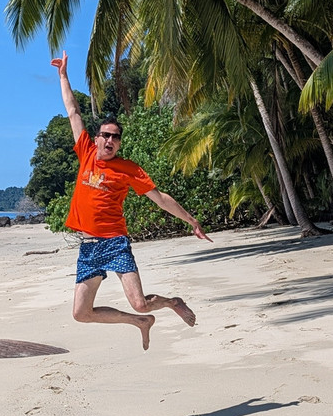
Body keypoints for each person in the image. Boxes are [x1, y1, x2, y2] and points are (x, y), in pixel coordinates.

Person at [51, 51, 212, 350]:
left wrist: (191, 220)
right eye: (105, 135)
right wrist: (63, 76)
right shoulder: (85, 152)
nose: (110, 141)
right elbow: (74, 112)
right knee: (81, 314)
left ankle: (172, 303)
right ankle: (139, 323)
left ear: (119, 142)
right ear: (96, 138)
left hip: (115, 242)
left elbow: (160, 198)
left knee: (140, 302)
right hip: (88, 246)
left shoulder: (129, 169)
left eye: (116, 137)